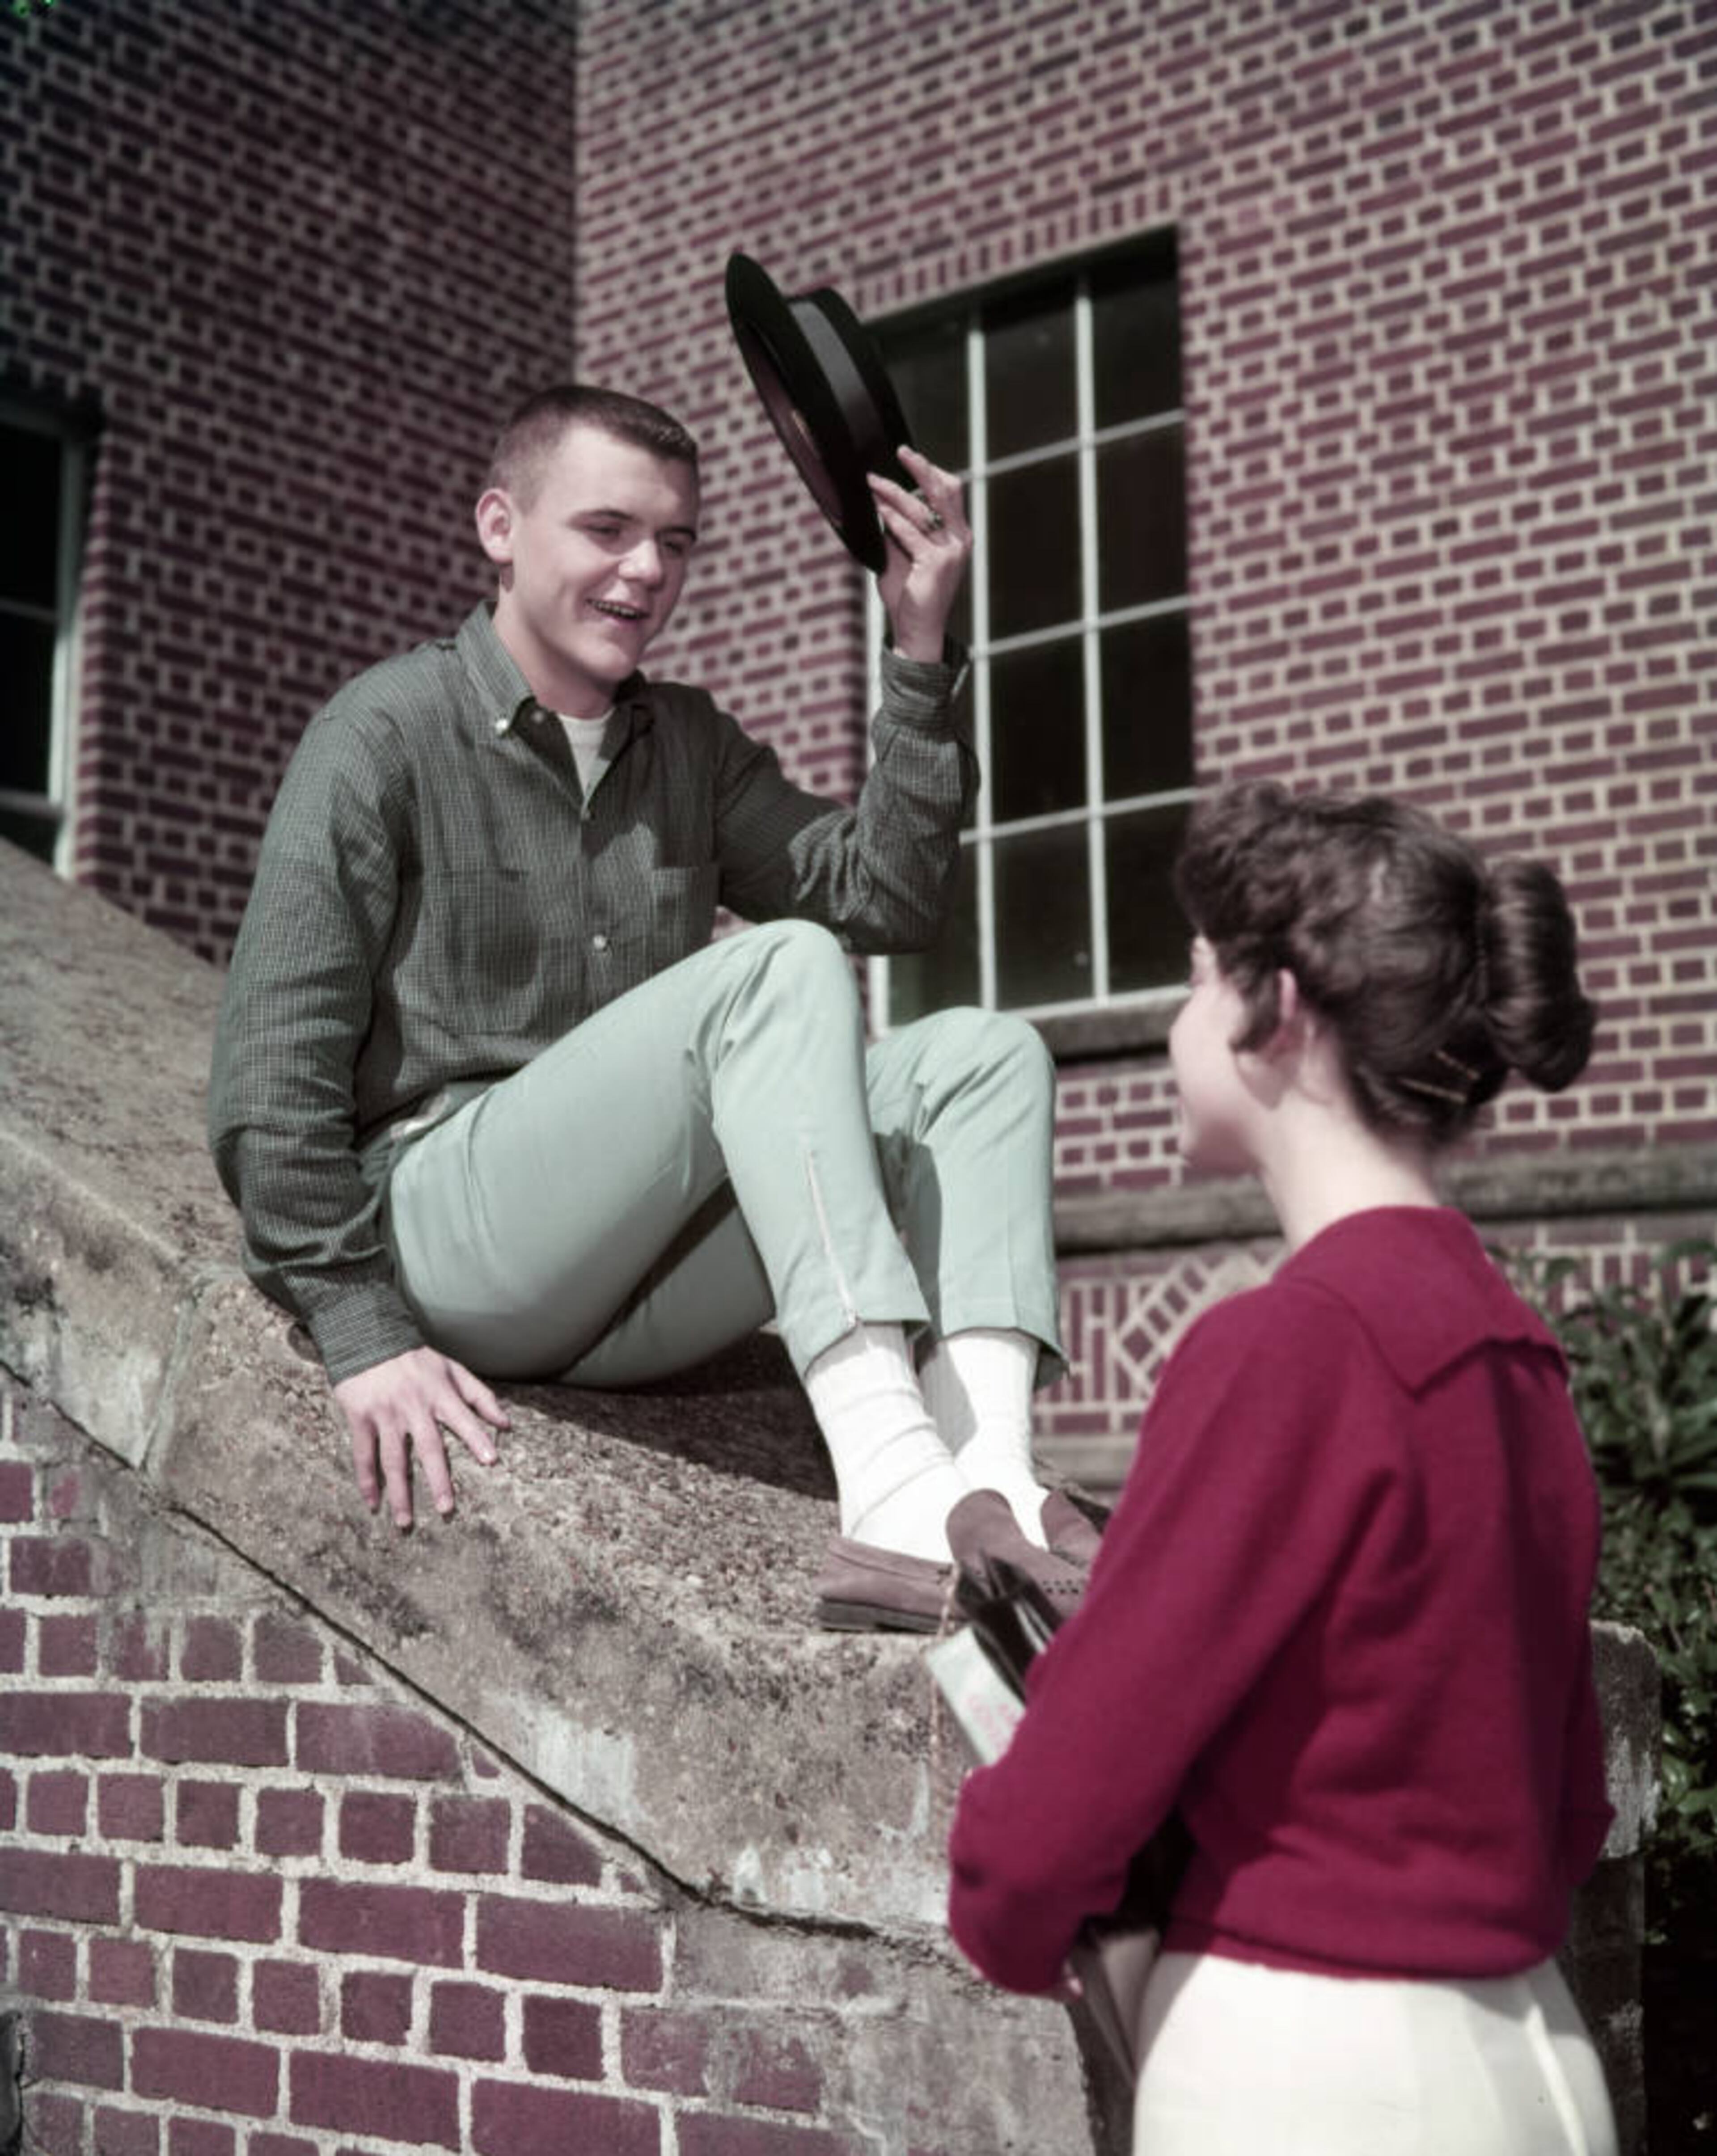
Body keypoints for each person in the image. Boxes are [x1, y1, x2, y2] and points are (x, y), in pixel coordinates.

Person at [208, 382, 1094, 1628]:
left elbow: (888, 896)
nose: (648, 571)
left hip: (635, 1275)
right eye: (607, 530)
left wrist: (918, 644)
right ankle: (893, 1485)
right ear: (500, 526)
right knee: (778, 967)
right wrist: (359, 1328)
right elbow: (268, 1083)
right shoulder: (383, 734)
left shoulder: (688, 743)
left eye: (676, 542)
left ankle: (989, 1482)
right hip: (450, 1235)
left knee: (984, 1056)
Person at [947, 779, 1619, 2154]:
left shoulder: (1286, 1347)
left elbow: (1078, 1780)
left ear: (1282, 1012)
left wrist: (1009, 1909)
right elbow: (1566, 1802)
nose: (1180, 1019)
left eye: (1200, 977)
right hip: (1539, 2060)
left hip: (1314, 2067)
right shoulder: (1523, 1360)